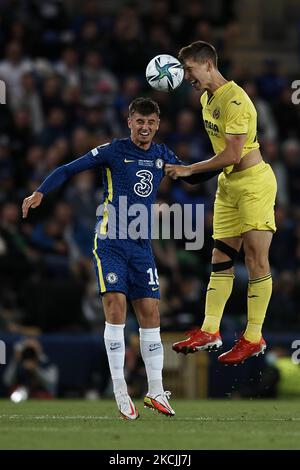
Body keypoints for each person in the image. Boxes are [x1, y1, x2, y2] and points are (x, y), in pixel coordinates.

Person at [22, 97, 217, 419]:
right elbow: (69, 168)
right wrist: (41, 191)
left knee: (151, 313)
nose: (145, 127)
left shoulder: (162, 154)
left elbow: (190, 176)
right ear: (130, 122)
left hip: (142, 247)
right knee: (116, 307)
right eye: (139, 121)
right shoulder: (113, 151)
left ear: (157, 124)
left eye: (151, 122)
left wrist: (220, 164)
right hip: (111, 242)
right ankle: (120, 390)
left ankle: (156, 390)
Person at [165, 41, 277, 365]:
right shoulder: (205, 100)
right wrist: (196, 174)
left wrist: (190, 169)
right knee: (221, 256)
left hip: (254, 183)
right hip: (228, 184)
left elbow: (232, 154)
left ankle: (253, 337)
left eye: (189, 69)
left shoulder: (237, 100)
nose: (185, 76)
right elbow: (224, 159)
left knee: (256, 259)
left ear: (208, 64)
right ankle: (210, 330)